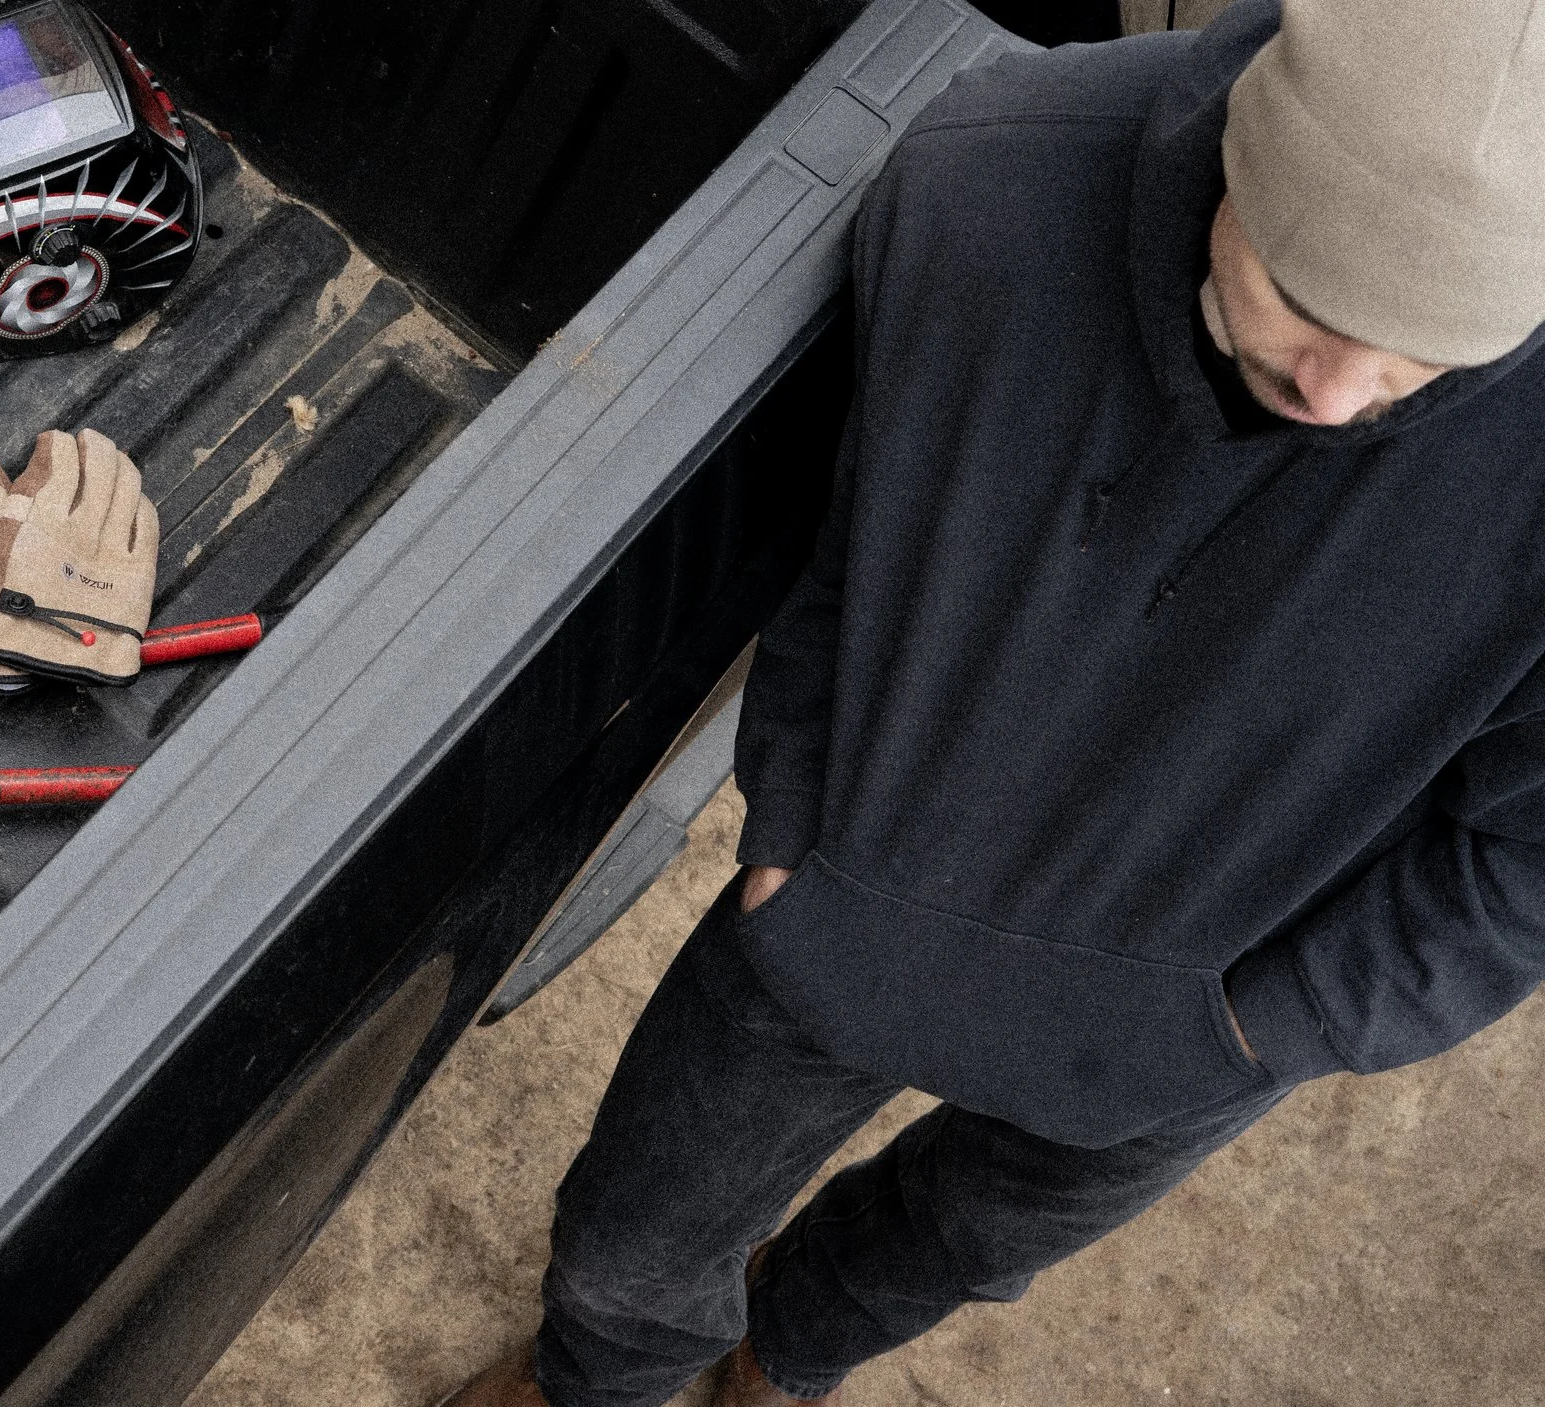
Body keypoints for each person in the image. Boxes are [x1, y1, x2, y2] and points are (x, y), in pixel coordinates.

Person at [442, 0, 1545, 1402]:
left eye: (1417, 364)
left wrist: (1255, 1028)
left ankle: (785, 1351)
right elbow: (841, 526)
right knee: (630, 1239)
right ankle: (597, 1381)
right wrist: (793, 816)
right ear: (1244, 151)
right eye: (1305, 301)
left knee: (946, 1247)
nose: (1335, 392)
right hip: (848, 904)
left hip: (1180, 1026)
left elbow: (1526, 861)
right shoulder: (988, 187)